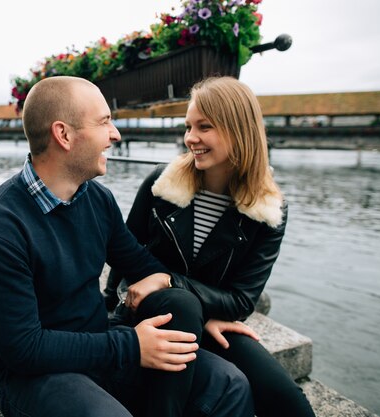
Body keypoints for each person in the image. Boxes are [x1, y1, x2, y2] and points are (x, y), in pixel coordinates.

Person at [0, 75, 254, 417]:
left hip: (99, 343)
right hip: (34, 375)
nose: (115, 134)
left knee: (230, 384)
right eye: (104, 122)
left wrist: (199, 315)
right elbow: (24, 349)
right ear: (64, 135)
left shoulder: (97, 200)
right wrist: (131, 345)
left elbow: (144, 267)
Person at [104, 76, 316, 417]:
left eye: (204, 127)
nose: (191, 138)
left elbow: (243, 299)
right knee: (181, 319)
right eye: (188, 126)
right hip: (150, 311)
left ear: (239, 130)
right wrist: (114, 310)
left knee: (289, 403)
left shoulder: (268, 210)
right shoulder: (162, 183)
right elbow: (123, 253)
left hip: (207, 319)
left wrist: (170, 281)